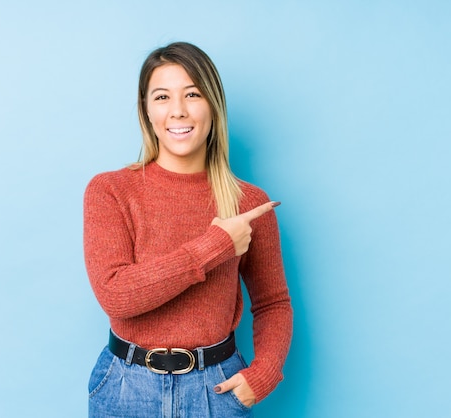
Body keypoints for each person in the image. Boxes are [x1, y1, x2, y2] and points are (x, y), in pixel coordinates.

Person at [83, 41, 293, 417]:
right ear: (147, 112)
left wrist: (263, 375)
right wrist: (216, 245)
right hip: (126, 387)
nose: (178, 110)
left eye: (192, 94)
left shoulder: (247, 202)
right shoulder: (110, 190)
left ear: (213, 105)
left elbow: (273, 303)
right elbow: (116, 295)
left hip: (216, 388)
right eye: (162, 96)